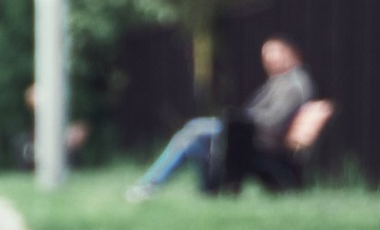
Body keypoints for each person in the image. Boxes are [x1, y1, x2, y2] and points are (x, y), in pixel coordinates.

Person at [130, 38, 319, 198]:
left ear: (290, 53)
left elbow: (275, 120)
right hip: (248, 134)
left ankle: (150, 185)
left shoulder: (294, 82)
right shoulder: (281, 80)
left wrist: (243, 118)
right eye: (265, 53)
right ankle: (200, 189)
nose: (267, 58)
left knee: (195, 128)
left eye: (273, 52)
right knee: (192, 140)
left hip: (259, 139)